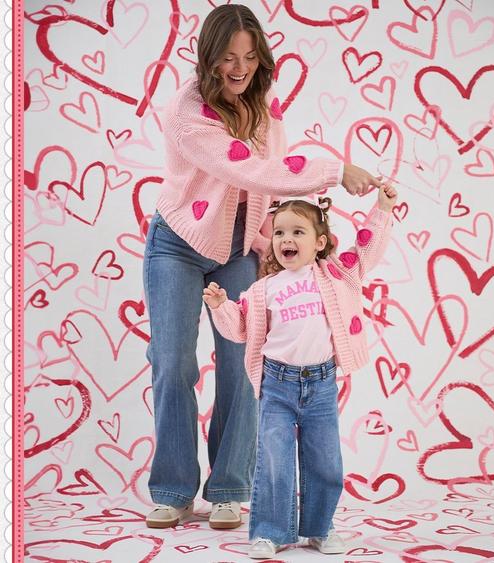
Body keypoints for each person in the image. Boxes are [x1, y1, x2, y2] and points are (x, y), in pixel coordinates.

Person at [143, 3, 384, 530]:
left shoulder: (265, 110)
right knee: (173, 363)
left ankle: (229, 487)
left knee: (242, 363)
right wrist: (336, 169)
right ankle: (174, 489)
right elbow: (254, 169)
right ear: (208, 59)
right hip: (177, 244)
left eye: (250, 57)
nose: (240, 68)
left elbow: (262, 187)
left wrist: (269, 246)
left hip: (237, 250)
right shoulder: (188, 114)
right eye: (229, 57)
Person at [203, 182, 397, 558]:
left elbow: (366, 251)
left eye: (297, 232)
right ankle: (270, 532)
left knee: (324, 459)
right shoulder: (264, 289)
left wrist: (382, 208)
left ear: (319, 243)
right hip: (277, 384)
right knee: (273, 460)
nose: (285, 239)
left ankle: (320, 528)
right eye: (278, 232)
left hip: (321, 384)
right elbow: (238, 329)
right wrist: (220, 306)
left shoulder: (336, 276)